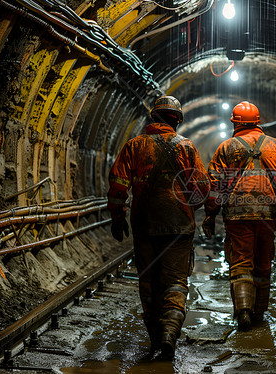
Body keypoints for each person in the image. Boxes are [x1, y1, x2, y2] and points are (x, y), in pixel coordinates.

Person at [107, 95, 210, 357]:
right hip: (179, 226)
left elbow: (118, 185)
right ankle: (169, 334)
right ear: (177, 120)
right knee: (176, 281)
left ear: (153, 118)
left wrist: (117, 217)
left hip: (145, 224)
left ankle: (155, 339)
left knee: (149, 282)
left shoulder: (134, 145)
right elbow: (202, 187)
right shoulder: (186, 147)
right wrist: (188, 209)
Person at [202, 101, 276, 331]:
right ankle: (259, 312)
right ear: (258, 122)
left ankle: (243, 310)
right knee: (263, 262)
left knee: (241, 260)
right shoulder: (274, 145)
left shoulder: (226, 147)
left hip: (237, 213)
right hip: (268, 213)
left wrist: (210, 214)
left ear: (234, 123)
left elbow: (214, 185)